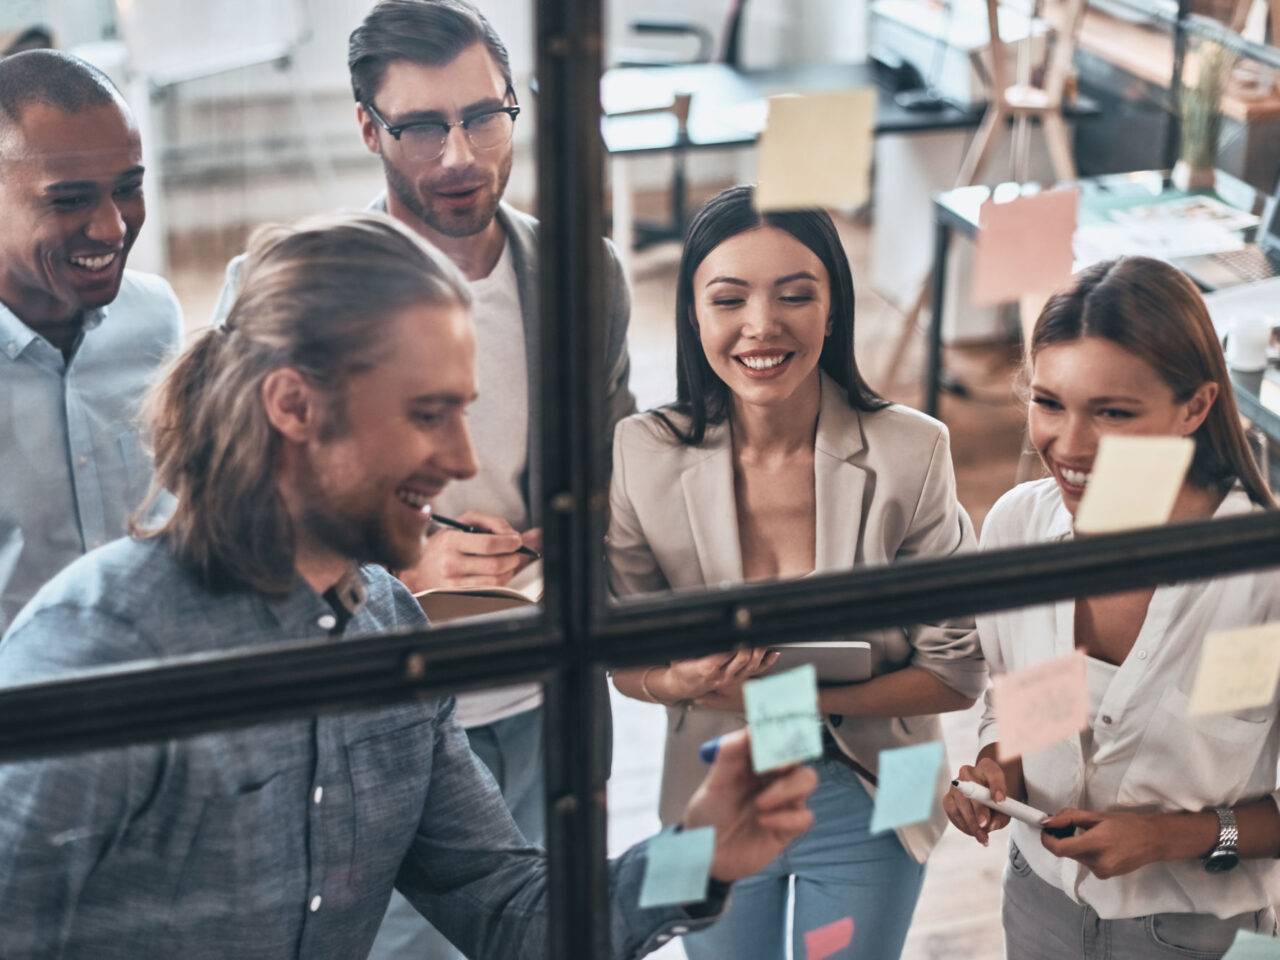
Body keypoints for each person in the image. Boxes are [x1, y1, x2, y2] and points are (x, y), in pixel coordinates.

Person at [0, 212, 817, 960]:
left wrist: (696, 852)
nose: (462, 461)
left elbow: (510, 910)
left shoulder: (390, 627)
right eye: (428, 414)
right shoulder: (95, 646)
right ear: (294, 405)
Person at [213, 9, 634, 951]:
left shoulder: (584, 274)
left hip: (547, 698)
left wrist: (571, 545)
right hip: (378, 715)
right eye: (420, 126)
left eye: (484, 117)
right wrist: (406, 558)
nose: (459, 155)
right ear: (368, 128)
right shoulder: (286, 287)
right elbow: (224, 514)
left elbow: (613, 473)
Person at [607, 185, 987, 960]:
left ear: (833, 310)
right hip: (706, 794)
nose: (761, 325)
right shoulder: (640, 455)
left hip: (885, 792)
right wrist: (675, 682)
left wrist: (786, 698)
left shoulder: (915, 452)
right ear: (693, 315)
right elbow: (625, 658)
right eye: (729, 298)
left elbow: (957, 674)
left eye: (795, 296)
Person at [943, 256, 1280, 959]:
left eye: (1113, 413)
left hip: (1199, 931)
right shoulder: (1018, 529)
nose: (1069, 446)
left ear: (1197, 406)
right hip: (1036, 901)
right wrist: (996, 765)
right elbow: (1030, 700)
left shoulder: (1262, 578)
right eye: (1049, 402)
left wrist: (1164, 837)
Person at [0, 49, 181, 633]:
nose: (112, 227)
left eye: (127, 188)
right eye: (70, 199)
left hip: (157, 693)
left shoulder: (155, 319)